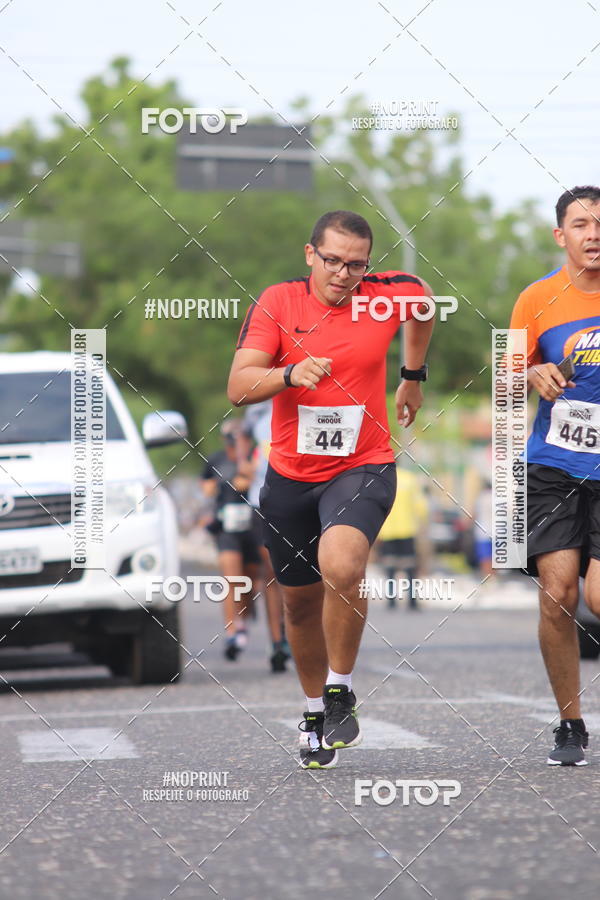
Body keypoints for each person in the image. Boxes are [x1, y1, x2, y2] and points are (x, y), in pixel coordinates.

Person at [227, 210, 434, 768]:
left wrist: (412, 376)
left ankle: (341, 689)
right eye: (333, 261)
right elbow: (239, 386)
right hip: (291, 476)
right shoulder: (278, 302)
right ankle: (314, 709)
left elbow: (424, 303)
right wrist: (288, 375)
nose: (344, 274)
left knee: (342, 564)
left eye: (356, 264)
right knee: (298, 605)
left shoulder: (388, 293)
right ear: (309, 254)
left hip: (363, 462)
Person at [510, 185, 600, 766]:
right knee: (558, 596)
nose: (594, 234)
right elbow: (504, 385)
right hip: (553, 464)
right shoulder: (536, 299)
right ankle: (570, 722)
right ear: (560, 235)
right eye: (581, 224)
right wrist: (533, 372)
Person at [201, 420, 260, 660]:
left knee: (250, 579)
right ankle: (232, 631)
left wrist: (245, 466)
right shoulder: (215, 461)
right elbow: (206, 488)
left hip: (252, 524)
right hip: (226, 525)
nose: (235, 442)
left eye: (240, 437)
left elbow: (252, 479)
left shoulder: (255, 456)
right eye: (230, 438)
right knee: (231, 577)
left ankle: (243, 619)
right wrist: (221, 481)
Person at [240, 400, 291, 672]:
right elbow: (243, 435)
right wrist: (243, 464)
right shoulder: (259, 403)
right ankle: (277, 640)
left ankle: (297, 629)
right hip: (262, 499)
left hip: (302, 496)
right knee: (272, 570)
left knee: (309, 572)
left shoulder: (308, 388)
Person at [376, 466, 428, 609]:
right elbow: (421, 505)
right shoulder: (410, 478)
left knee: (390, 567)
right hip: (407, 529)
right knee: (410, 567)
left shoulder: (381, 479)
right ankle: (412, 600)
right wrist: (422, 522)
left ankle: (391, 600)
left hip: (388, 530)